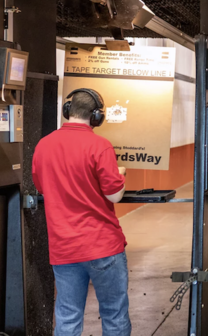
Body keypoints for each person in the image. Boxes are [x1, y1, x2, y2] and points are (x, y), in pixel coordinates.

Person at [32, 88, 131, 336]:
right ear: (96, 116)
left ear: (68, 111)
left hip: (64, 247)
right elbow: (114, 194)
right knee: (114, 314)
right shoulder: (100, 146)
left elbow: (43, 187)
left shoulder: (44, 145)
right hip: (102, 246)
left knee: (67, 316)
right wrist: (120, 175)